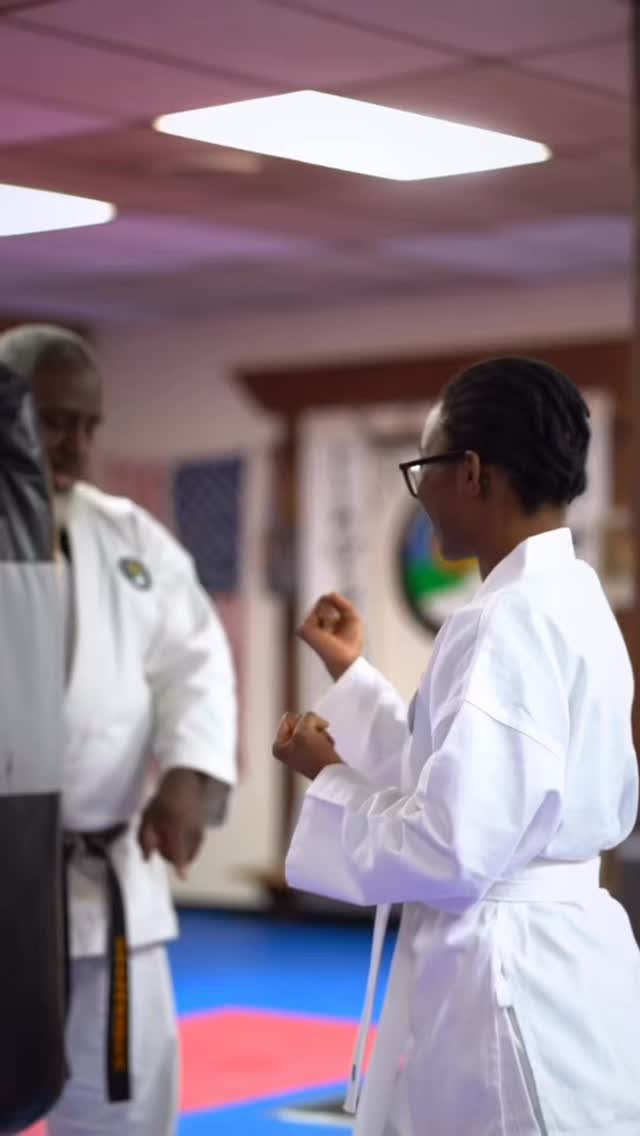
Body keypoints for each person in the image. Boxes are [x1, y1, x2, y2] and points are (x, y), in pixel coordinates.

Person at [273, 356, 640, 1136]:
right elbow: (452, 774)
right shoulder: (571, 601)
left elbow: (451, 844)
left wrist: (329, 774)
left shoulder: (507, 620)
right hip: (560, 962)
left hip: (509, 982)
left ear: (470, 471)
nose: (423, 491)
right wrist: (353, 674)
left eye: (423, 468)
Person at [0, 325, 237, 1136]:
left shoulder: (132, 536)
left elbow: (195, 665)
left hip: (105, 883)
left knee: (122, 1107)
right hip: (2, 878)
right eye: (54, 417)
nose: (76, 443)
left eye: (90, 424)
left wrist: (186, 776)